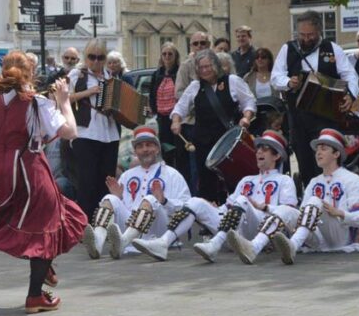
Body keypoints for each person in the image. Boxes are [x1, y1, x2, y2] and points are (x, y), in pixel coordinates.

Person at [0, 51, 85, 313]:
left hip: (3, 172)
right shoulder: (36, 102)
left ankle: (44, 269)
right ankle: (34, 295)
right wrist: (64, 102)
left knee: (40, 219)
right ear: (30, 73)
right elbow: (70, 132)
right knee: (48, 224)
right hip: (30, 168)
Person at [135, 130, 297, 263]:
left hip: (263, 231)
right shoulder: (246, 180)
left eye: (265, 149)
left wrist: (265, 207)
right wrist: (212, 208)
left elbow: (288, 213)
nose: (259, 151)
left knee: (242, 200)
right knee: (196, 202)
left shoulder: (284, 180)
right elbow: (228, 208)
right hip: (236, 232)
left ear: (276, 156)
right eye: (258, 148)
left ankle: (215, 244)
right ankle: (163, 243)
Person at [271, 10, 359, 188]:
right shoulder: (288, 48)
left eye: (310, 35)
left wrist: (350, 95)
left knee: (326, 162)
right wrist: (289, 82)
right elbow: (275, 76)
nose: (305, 39)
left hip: (326, 117)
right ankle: (310, 199)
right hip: (298, 117)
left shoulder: (333, 49)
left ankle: (330, 196)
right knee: (304, 162)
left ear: (319, 32)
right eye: (301, 35)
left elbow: (350, 75)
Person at [81, 126, 190, 259]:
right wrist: (118, 198)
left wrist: (164, 201)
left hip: (159, 228)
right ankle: (97, 242)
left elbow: (187, 207)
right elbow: (124, 208)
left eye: (149, 145)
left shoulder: (172, 174)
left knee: (150, 199)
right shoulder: (127, 175)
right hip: (130, 223)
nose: (145, 149)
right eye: (140, 146)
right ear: (135, 151)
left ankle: (123, 242)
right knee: (109, 198)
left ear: (157, 149)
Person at [266, 128, 359, 263]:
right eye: (317, 149)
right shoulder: (314, 182)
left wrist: (339, 213)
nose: (318, 153)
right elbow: (303, 214)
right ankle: (255, 246)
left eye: (324, 148)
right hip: (318, 240)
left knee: (316, 201)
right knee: (284, 209)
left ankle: (293, 245)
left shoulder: (353, 180)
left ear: (336, 153)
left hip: (341, 238)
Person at [170, 49, 256, 204]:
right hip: (203, 143)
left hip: (229, 142)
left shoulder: (233, 81)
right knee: (206, 183)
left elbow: (249, 102)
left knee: (233, 181)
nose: (204, 70)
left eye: (207, 66)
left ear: (215, 65)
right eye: (201, 68)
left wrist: (246, 118)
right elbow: (179, 108)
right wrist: (176, 121)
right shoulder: (195, 86)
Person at [68, 39, 121, 219]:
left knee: (106, 180)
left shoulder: (111, 77)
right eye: (92, 57)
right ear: (86, 57)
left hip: (110, 134)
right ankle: (84, 223)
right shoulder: (77, 75)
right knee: (87, 181)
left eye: (100, 57)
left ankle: (102, 221)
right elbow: (61, 99)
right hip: (86, 133)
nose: (96, 61)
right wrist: (88, 92)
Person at [147, 42, 185, 173]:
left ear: (175, 56)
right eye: (164, 54)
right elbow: (152, 95)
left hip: (176, 118)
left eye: (170, 54)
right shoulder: (157, 74)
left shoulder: (180, 73)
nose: (167, 57)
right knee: (165, 150)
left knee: (178, 152)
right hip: (162, 119)